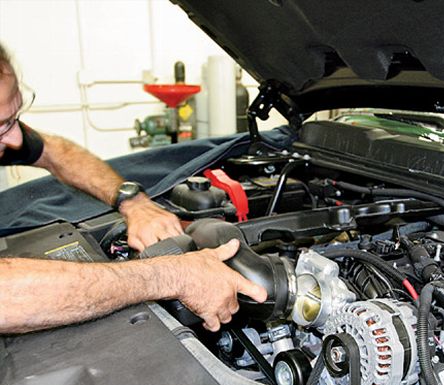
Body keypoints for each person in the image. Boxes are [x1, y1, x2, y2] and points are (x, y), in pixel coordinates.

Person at [0, 43, 267, 333]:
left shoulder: (12, 137)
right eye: (2, 126)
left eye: (15, 117)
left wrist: (132, 200)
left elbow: (54, 151)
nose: (15, 139)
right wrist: (174, 275)